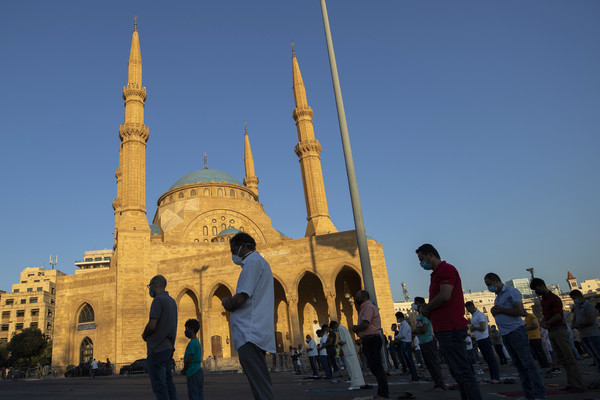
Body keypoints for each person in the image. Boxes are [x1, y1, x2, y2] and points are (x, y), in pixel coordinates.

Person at [416, 244, 482, 400]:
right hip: (443, 329)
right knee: (458, 372)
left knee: (463, 372)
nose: (421, 263)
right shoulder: (436, 274)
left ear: (430, 255)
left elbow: (445, 295)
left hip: (450, 328)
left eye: (422, 259)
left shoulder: (446, 270)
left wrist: (426, 308)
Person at [222, 232, 275, 400]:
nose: (233, 255)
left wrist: (227, 302)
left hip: (249, 334)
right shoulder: (261, 263)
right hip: (255, 333)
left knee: (260, 385)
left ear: (245, 246)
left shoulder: (251, 263)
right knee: (260, 382)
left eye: (234, 250)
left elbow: (240, 298)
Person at [485, 273, 546, 400]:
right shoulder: (498, 297)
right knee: (519, 366)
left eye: (489, 284)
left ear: (496, 281)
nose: (489, 287)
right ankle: (529, 395)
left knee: (528, 363)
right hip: (506, 334)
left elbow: (519, 311)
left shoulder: (511, 292)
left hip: (516, 331)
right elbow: (500, 311)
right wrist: (494, 311)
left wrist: (500, 310)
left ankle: (539, 394)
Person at [530, 278, 585, 393]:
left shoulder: (554, 298)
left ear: (541, 286)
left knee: (569, 358)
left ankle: (579, 384)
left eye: (536, 289)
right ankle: (571, 383)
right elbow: (546, 315)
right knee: (562, 359)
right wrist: (543, 322)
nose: (536, 292)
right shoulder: (544, 300)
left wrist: (547, 323)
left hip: (559, 329)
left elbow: (558, 316)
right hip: (552, 331)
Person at [142, 274, 178, 400]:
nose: (149, 289)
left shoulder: (158, 300)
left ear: (155, 285)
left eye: (150, 286)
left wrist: (144, 334)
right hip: (168, 348)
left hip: (157, 349)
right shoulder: (172, 301)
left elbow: (152, 325)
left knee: (159, 387)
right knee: (169, 385)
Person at [352, 290, 388, 399]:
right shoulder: (365, 308)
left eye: (358, 296)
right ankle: (381, 392)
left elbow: (365, 324)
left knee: (377, 367)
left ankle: (383, 394)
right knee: (374, 367)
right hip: (368, 340)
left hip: (372, 339)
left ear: (363, 297)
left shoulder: (368, 307)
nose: (356, 298)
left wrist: (355, 328)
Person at [413, 296, 446, 391]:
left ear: (420, 304)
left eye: (415, 303)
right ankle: (437, 384)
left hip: (427, 341)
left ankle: (440, 385)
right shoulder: (420, 315)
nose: (414, 306)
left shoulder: (424, 315)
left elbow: (424, 328)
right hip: (423, 342)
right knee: (429, 364)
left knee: (432, 364)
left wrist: (414, 331)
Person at [570, 289, 600, 389]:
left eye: (574, 298)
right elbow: (574, 319)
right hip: (584, 335)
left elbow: (591, 320)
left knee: (599, 357)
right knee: (595, 357)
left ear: (579, 296)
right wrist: (574, 324)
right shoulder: (577, 307)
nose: (574, 300)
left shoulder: (588, 306)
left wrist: (579, 325)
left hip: (593, 335)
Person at [466, 301, 500, 383]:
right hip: (480, 339)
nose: (468, 310)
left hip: (484, 339)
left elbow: (483, 327)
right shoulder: (474, 316)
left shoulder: (479, 315)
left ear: (472, 307)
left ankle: (496, 377)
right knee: (487, 359)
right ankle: (493, 377)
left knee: (491, 358)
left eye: (468, 309)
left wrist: (474, 328)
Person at [330, 321, 365, 390]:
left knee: (351, 368)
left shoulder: (341, 329)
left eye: (333, 328)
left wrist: (339, 342)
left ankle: (355, 384)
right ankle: (359, 383)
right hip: (350, 350)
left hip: (348, 351)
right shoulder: (343, 328)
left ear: (335, 325)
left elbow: (343, 341)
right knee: (354, 367)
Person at [181, 319, 204, 400]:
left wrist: (184, 369)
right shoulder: (197, 342)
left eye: (186, 328)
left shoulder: (192, 343)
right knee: (199, 394)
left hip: (192, 372)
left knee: (193, 394)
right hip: (198, 371)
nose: (185, 331)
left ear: (191, 329)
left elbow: (189, 358)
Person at [395, 312, 419, 382]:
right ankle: (413, 376)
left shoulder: (405, 325)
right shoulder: (402, 325)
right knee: (408, 361)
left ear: (400, 317)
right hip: (404, 343)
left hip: (406, 343)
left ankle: (415, 377)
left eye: (397, 318)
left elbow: (403, 335)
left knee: (409, 360)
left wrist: (397, 337)